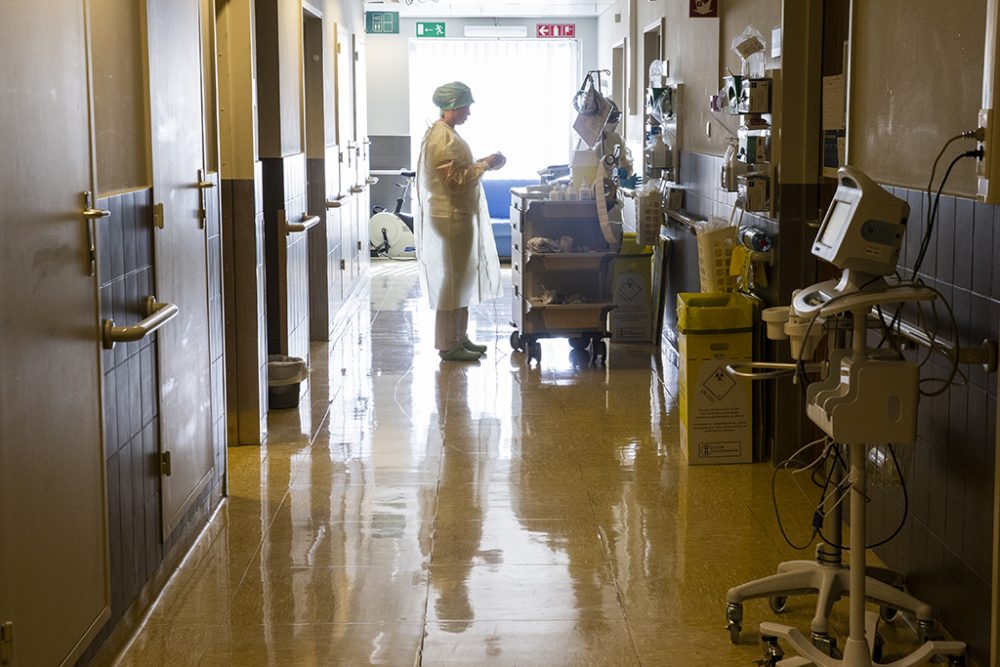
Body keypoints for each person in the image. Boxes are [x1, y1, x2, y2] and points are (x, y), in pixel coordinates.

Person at [414, 81, 506, 361]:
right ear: (452, 107)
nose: (469, 113)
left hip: (457, 214)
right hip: (451, 215)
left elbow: (457, 170)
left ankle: (459, 336)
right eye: (466, 107)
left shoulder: (446, 134)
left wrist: (482, 162)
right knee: (453, 280)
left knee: (462, 277)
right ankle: (447, 344)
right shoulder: (441, 137)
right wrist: (486, 165)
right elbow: (454, 180)